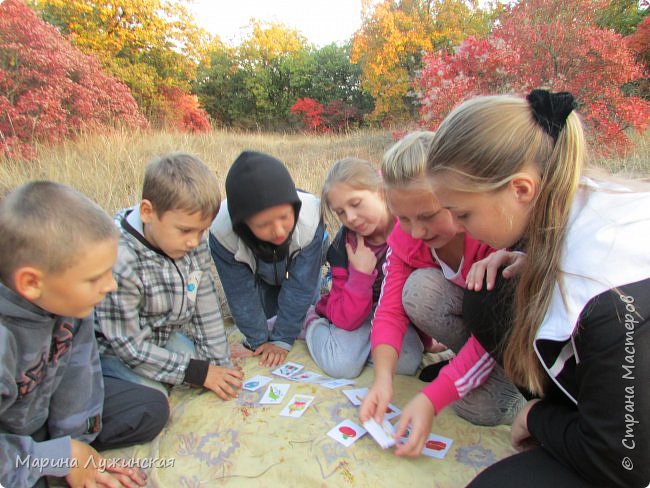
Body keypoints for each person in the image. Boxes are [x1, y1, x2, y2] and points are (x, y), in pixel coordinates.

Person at [415, 90, 649, 488]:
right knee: (492, 292)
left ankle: (561, 424)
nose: (455, 227)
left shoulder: (605, 287)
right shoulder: (566, 199)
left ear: (520, 190)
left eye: (464, 213)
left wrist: (538, 418)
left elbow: (627, 462)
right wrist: (534, 262)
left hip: (630, 459)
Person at [360, 131, 525, 428]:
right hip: (482, 335)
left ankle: (519, 389)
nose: (417, 232)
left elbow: (499, 326)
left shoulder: (492, 234)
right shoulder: (405, 240)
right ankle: (467, 368)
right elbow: (389, 311)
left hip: (512, 340)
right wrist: (382, 379)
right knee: (418, 291)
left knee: (476, 410)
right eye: (403, 218)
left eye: (428, 215)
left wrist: (435, 396)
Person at [0, 181, 160, 487]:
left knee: (149, 408)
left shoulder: (74, 303)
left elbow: (80, 374)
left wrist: (77, 445)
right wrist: (54, 457)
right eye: (95, 278)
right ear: (31, 283)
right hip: (13, 439)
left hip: (44, 416)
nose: (110, 286)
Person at [95, 153, 243, 402]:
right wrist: (200, 373)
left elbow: (205, 306)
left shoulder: (191, 243)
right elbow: (130, 347)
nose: (194, 241)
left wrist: (220, 363)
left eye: (202, 231)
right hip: (113, 350)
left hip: (161, 336)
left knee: (198, 361)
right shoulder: (120, 261)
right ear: (147, 212)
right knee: (155, 395)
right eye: (185, 230)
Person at [305, 157, 423, 378]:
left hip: (390, 313)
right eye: (340, 212)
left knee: (407, 364)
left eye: (356, 203)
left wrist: (424, 338)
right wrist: (360, 276)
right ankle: (311, 322)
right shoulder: (343, 247)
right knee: (341, 366)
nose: (349, 217)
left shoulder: (409, 225)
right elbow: (347, 319)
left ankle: (362, 346)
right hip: (351, 312)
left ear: (380, 191)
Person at [209, 151, 327, 368]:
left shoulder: (310, 219)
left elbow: (301, 286)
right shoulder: (223, 234)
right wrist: (259, 340)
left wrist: (282, 340)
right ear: (243, 226)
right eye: (263, 225)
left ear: (294, 206)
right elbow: (240, 293)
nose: (278, 230)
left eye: (284, 217)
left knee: (300, 313)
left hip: (297, 267)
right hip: (259, 271)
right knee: (263, 323)